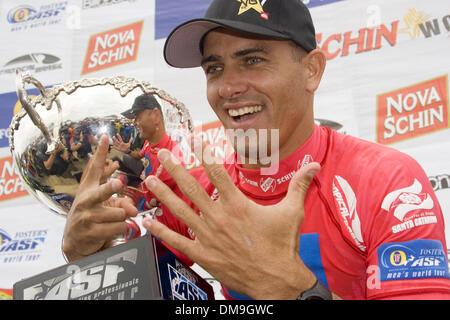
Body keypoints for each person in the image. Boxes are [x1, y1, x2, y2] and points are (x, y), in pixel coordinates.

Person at [63, 0, 450, 300]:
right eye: (214, 68)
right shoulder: (194, 193)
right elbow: (142, 285)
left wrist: (291, 288)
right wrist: (89, 257)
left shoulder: (385, 180)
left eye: (252, 60)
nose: (228, 88)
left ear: (312, 70)